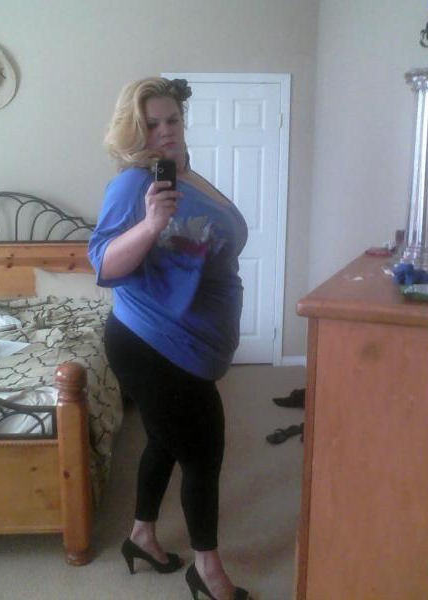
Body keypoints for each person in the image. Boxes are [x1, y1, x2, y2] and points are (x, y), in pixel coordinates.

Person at [87, 77, 250, 600]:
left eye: (172, 120)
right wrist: (152, 223)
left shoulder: (187, 172)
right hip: (152, 342)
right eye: (151, 124)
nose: (164, 132)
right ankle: (207, 571)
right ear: (135, 129)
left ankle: (141, 537)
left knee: (163, 440)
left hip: (191, 340)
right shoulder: (134, 186)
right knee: (204, 453)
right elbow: (103, 264)